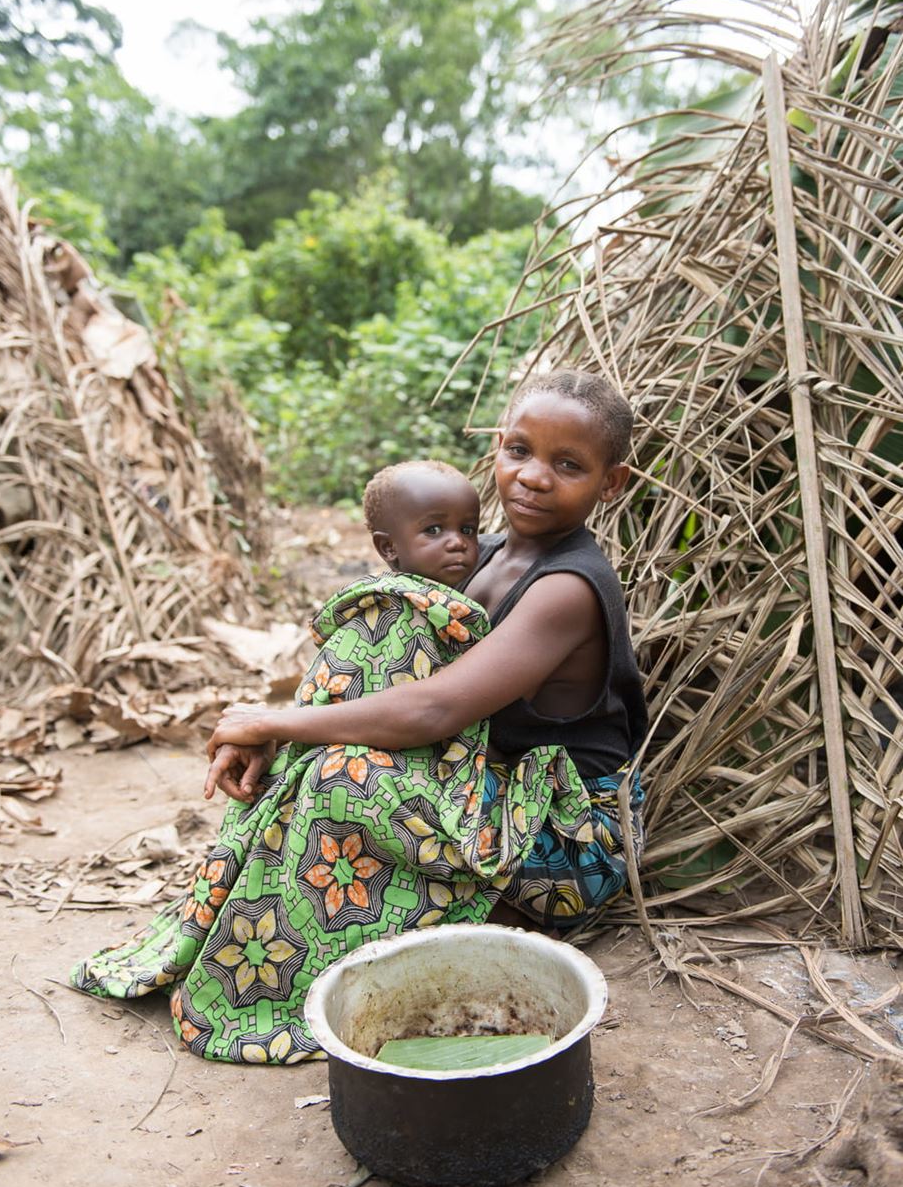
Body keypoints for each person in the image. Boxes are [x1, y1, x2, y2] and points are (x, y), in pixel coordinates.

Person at [73, 370, 647, 1065]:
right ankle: (252, 935)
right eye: (520, 450)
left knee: (344, 771)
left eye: (568, 465)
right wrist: (279, 734)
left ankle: (294, 974)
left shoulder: (568, 588)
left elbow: (437, 706)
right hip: (489, 792)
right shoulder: (478, 554)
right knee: (379, 630)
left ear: (610, 484)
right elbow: (375, 669)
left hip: (566, 836)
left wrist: (278, 721)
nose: (533, 477)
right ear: (496, 446)